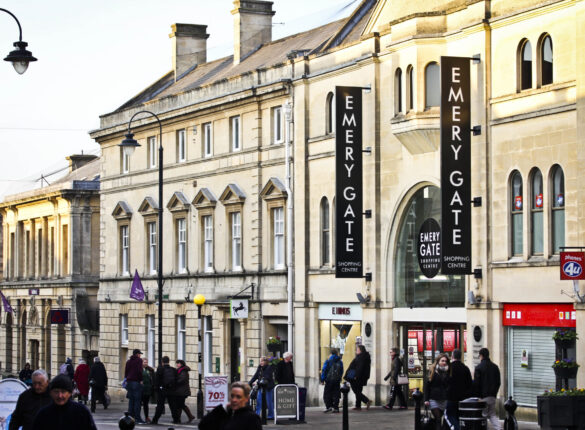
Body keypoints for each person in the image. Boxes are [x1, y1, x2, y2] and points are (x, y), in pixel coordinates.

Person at [31, 374, 97, 430]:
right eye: (56, 392)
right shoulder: (43, 414)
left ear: (70, 393)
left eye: (63, 392)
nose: (60, 396)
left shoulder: (81, 412)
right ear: (51, 393)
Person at [473, 347, 501, 430]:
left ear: (481, 356)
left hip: (482, 397)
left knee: (483, 415)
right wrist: (494, 393)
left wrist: (477, 397)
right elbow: (498, 382)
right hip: (492, 395)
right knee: (492, 414)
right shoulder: (495, 367)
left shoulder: (478, 367)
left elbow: (477, 384)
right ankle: (499, 428)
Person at [445, 348, 472, 430]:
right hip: (463, 398)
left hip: (451, 397)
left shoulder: (449, 368)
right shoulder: (465, 368)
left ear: (452, 356)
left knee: (449, 415)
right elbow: (470, 384)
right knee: (458, 416)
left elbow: (446, 382)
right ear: (461, 357)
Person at [424, 353, 451, 430]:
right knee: (438, 419)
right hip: (434, 399)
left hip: (444, 399)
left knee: (443, 420)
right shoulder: (432, 371)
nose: (444, 362)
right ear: (438, 361)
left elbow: (448, 385)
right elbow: (427, 386)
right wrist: (426, 399)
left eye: (445, 361)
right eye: (442, 361)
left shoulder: (448, 371)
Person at [151, 356, 180, 425]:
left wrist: (156, 389)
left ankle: (155, 420)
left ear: (162, 362)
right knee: (173, 405)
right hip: (171, 390)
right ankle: (176, 419)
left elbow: (157, 381)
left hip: (162, 390)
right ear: (169, 361)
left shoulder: (160, 369)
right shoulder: (173, 370)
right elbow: (176, 380)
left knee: (160, 406)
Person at [344, 344, 371, 411]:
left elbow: (360, 368)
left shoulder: (361, 357)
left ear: (360, 350)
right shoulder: (365, 357)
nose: (356, 351)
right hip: (362, 377)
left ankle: (366, 401)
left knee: (356, 391)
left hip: (356, 377)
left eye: (357, 350)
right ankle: (358, 406)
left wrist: (356, 376)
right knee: (358, 390)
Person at [124, 349, 145, 424]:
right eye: (139, 354)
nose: (140, 355)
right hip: (136, 382)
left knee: (131, 401)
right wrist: (141, 380)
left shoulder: (128, 361)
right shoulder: (139, 360)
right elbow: (139, 371)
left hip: (129, 382)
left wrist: (127, 379)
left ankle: (130, 417)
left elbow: (126, 372)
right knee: (137, 401)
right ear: (137, 354)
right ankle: (137, 418)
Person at [320, 348, 343, 413]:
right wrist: (339, 378)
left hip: (329, 380)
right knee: (336, 394)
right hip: (336, 380)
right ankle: (336, 407)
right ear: (336, 353)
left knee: (327, 393)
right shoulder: (340, 361)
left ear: (331, 353)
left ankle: (329, 406)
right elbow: (341, 371)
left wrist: (322, 379)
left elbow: (324, 370)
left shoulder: (328, 361)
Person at [176, 359, 195, 423]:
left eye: (178, 363)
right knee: (180, 405)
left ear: (181, 364)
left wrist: (175, 382)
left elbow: (182, 380)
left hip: (182, 391)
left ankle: (189, 416)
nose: (177, 365)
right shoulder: (180, 370)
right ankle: (180, 418)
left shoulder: (183, 371)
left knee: (180, 405)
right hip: (181, 391)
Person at [141, 357, 155, 423]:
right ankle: (137, 416)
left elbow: (153, 378)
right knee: (139, 403)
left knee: (146, 404)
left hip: (148, 389)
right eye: (144, 362)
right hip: (141, 389)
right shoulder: (139, 369)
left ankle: (147, 417)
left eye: (146, 362)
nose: (146, 363)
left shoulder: (150, 370)